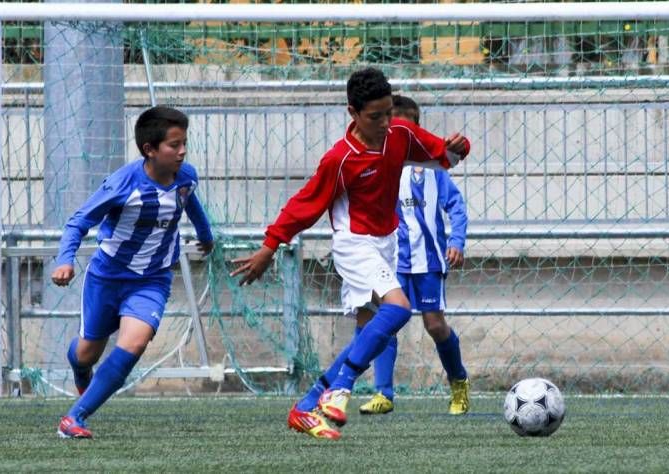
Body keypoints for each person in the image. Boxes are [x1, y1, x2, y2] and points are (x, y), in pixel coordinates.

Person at [231, 68, 469, 440]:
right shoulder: (340, 159)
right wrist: (269, 246)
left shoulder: (399, 135)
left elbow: (444, 157)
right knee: (399, 309)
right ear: (353, 113)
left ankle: (305, 408)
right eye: (376, 116)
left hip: (387, 242)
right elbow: (305, 205)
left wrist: (459, 146)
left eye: (389, 112)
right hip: (354, 244)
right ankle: (339, 389)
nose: (385, 122)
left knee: (366, 336)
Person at [52, 106, 214, 439]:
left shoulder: (187, 177)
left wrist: (206, 236)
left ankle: (74, 418)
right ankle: (82, 373)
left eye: (184, 143)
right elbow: (78, 221)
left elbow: (191, 204)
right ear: (149, 150)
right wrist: (65, 259)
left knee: (135, 343)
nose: (182, 151)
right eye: (174, 145)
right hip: (107, 279)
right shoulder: (122, 184)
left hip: (152, 280)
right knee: (86, 353)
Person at [358, 95, 470, 417]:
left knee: (434, 325)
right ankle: (384, 393)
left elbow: (457, 207)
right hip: (393, 260)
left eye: (402, 126)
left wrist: (457, 242)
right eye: (390, 125)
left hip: (429, 261)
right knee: (387, 321)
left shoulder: (434, 170)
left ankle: (458, 382)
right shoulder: (382, 166)